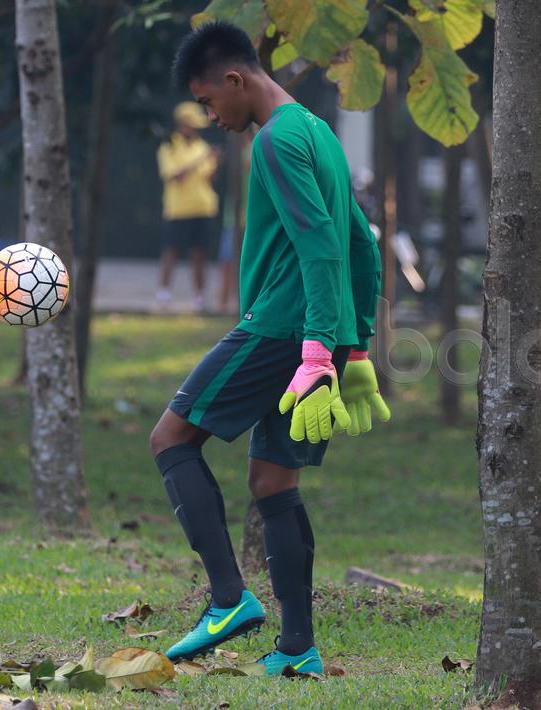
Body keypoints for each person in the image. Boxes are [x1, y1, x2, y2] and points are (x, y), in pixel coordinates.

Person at [149, 21, 390, 676]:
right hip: (317, 334)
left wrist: (315, 351)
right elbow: (361, 244)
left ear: (234, 81)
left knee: (170, 439)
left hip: (282, 330)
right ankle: (297, 649)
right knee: (271, 480)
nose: (210, 116)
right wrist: (355, 345)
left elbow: (319, 244)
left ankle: (227, 599)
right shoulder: (316, 130)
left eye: (207, 102)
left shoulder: (277, 142)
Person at [156, 101, 222, 311]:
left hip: (203, 208)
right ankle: (164, 295)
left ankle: (200, 298)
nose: (195, 129)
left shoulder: (202, 146)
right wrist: (201, 159)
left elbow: (209, 179)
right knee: (171, 252)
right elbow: (175, 176)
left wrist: (216, 163)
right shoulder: (169, 146)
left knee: (200, 254)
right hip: (178, 210)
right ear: (182, 124)